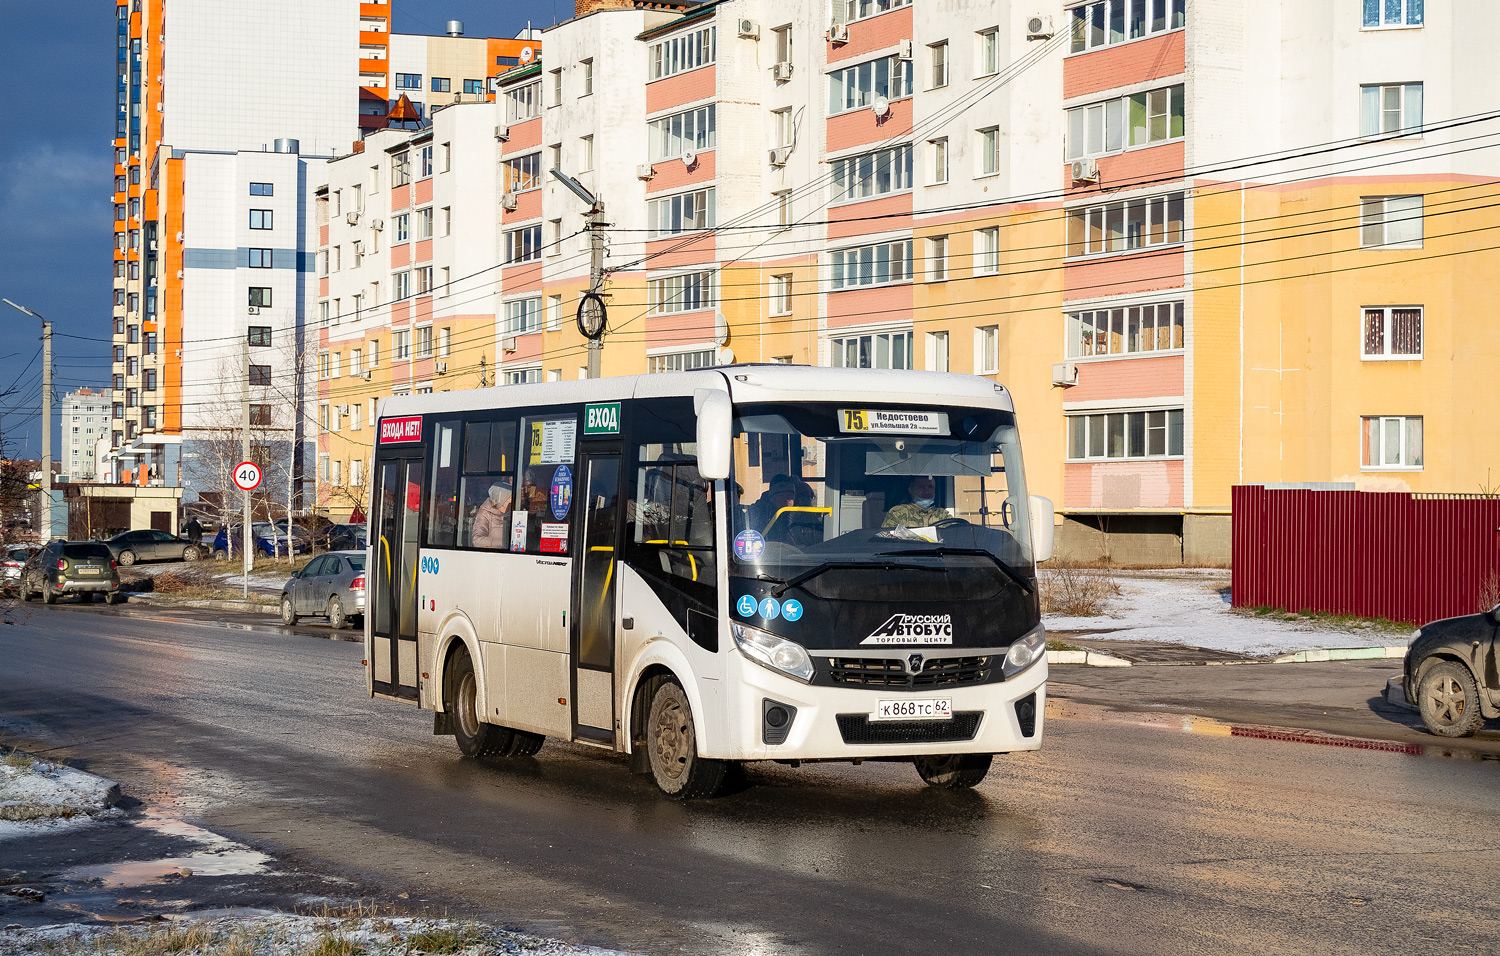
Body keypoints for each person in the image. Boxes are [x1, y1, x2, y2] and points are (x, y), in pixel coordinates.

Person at [882, 476, 950, 528]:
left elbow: (953, 536)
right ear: (911, 490)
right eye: (921, 487)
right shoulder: (898, 513)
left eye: (930, 487)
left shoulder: (943, 515)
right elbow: (888, 541)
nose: (927, 491)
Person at [471, 481, 512, 548]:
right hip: (493, 556)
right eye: (510, 500)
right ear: (501, 499)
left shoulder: (511, 514)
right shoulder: (485, 514)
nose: (512, 503)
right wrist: (504, 543)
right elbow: (477, 540)